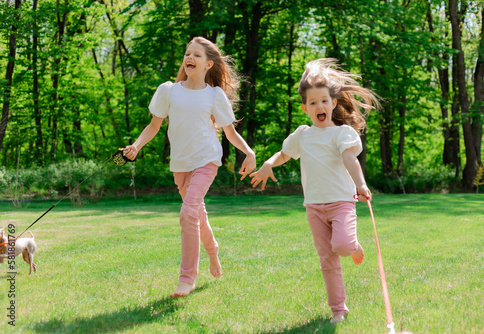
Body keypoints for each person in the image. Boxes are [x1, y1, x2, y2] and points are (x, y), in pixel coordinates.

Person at [124, 37, 256, 298]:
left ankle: (187, 279)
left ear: (208, 64)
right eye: (187, 53)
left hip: (206, 160)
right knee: (197, 215)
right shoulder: (168, 91)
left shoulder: (214, 95)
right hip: (180, 164)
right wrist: (136, 146)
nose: (189, 58)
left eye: (196, 54)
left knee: (187, 214)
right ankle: (213, 250)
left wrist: (248, 152)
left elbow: (229, 132)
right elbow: (154, 126)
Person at [250, 59, 379, 324]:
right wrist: (268, 163)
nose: (319, 106)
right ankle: (338, 309)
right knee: (327, 261)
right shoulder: (303, 135)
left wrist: (361, 184)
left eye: (323, 101)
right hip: (314, 207)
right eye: (312, 103)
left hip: (342, 202)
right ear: (305, 108)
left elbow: (350, 160)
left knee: (342, 245)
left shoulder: (342, 134)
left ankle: (352, 244)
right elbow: (285, 154)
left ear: (333, 103)